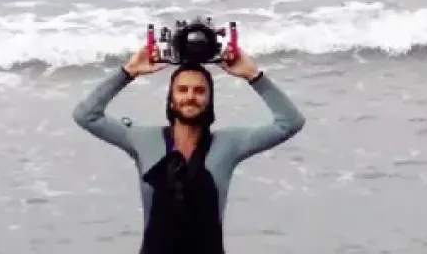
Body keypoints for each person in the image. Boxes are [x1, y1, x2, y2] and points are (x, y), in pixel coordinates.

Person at [72, 44, 306, 254]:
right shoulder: (143, 139)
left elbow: (290, 122)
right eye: (182, 90)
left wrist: (253, 75)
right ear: (171, 99)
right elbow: (86, 116)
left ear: (209, 100)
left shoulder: (229, 145)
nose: (190, 96)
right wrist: (128, 72)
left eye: (199, 91)